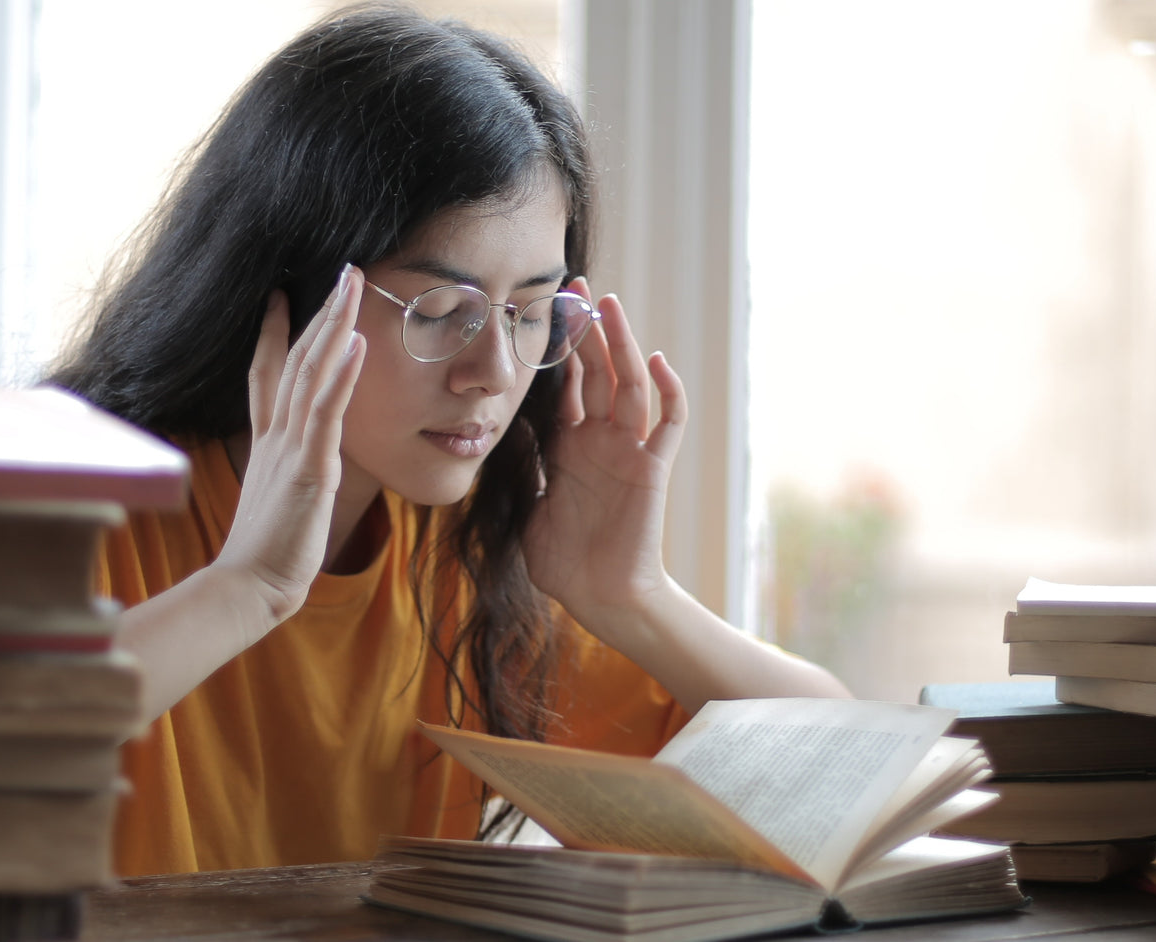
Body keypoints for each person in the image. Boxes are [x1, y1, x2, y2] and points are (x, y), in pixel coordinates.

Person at [50, 3, 849, 876]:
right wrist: (251, 586)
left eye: (533, 313)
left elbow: (835, 774)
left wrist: (630, 595)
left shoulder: (457, 551)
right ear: (284, 292)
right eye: (439, 312)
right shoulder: (77, 509)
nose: (495, 372)